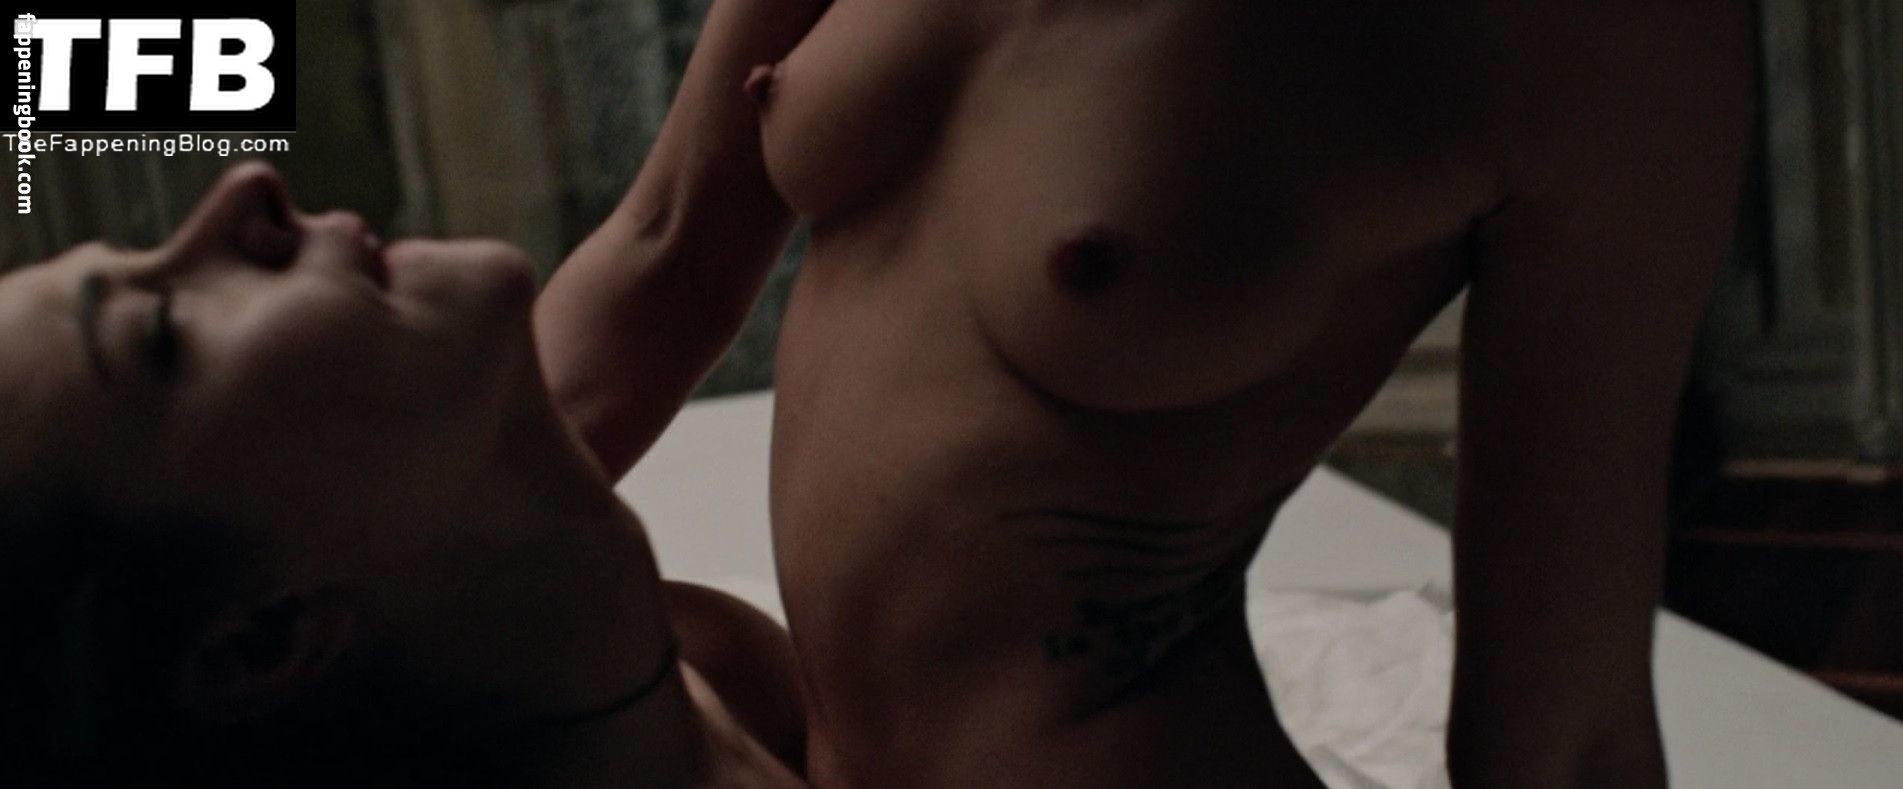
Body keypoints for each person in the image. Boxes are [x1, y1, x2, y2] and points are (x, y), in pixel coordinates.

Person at [537, 0, 1758, 786]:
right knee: (634, 643)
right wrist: (423, 548)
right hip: (810, 743)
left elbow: (1561, 742)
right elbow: (667, 252)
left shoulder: (1597, 35)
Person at [0, 162, 806, 788]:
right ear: (263, 637)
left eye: (143, 251)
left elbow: (672, 240)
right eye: (162, 329)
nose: (245, 187)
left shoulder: (697, 664)